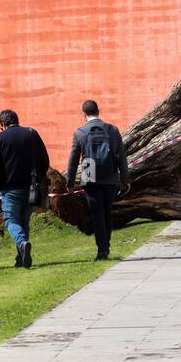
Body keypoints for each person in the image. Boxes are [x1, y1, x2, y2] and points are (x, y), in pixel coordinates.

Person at [65, 99, 128, 260]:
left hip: (89, 174)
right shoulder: (112, 130)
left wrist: (70, 183)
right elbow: (121, 157)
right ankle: (106, 245)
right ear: (98, 111)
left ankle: (102, 249)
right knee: (107, 211)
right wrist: (124, 179)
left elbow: (73, 160)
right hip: (110, 176)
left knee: (97, 213)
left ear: (83, 114)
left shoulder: (80, 132)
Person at [0, 110, 50, 269]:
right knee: (24, 221)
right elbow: (44, 159)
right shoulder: (31, 134)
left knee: (11, 220)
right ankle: (21, 259)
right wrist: (39, 178)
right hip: (31, 187)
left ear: (2, 124)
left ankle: (22, 243)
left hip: (10, 188)